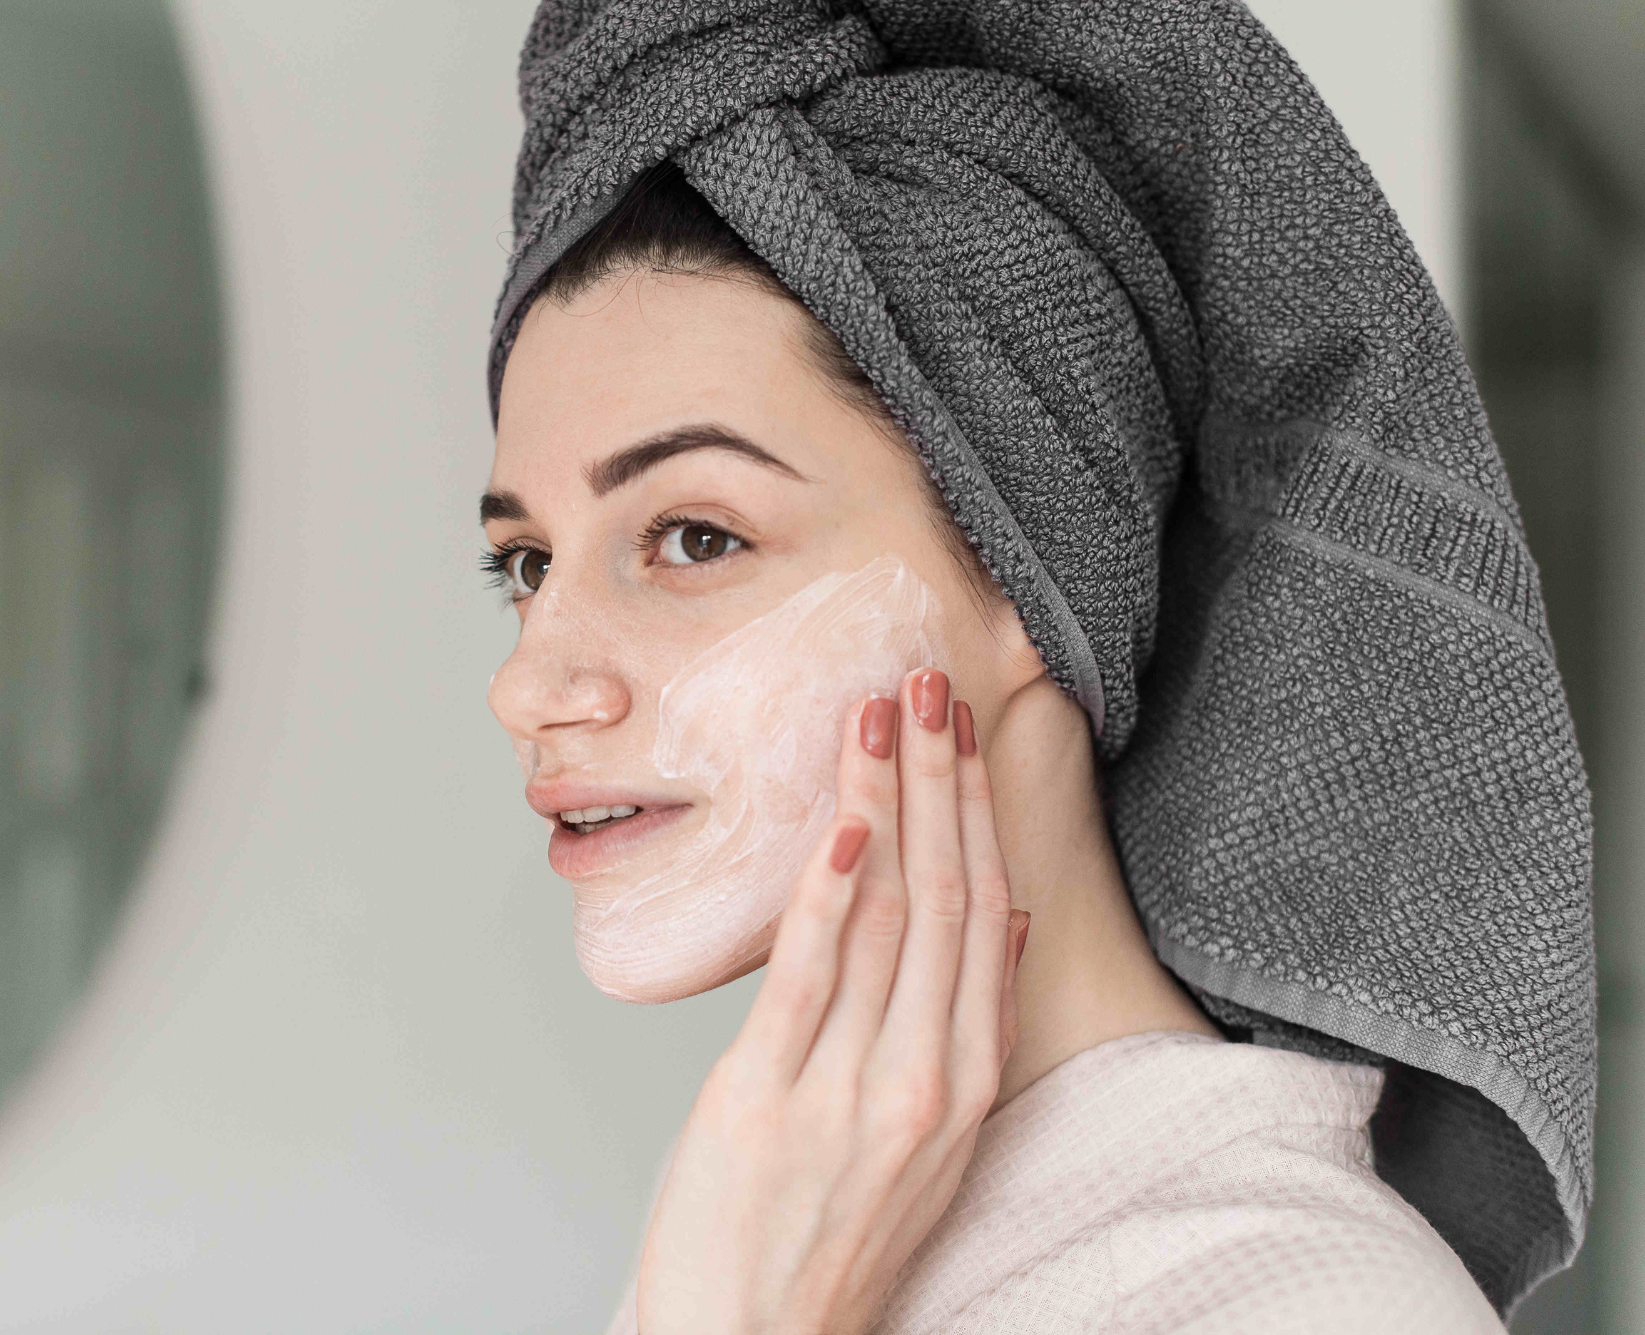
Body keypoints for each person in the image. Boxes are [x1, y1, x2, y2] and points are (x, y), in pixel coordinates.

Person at [479, 2, 1594, 1331]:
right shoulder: (782, 1205)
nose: (530, 684)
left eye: (693, 534)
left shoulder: (1307, 1304)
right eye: (528, 564)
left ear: (1029, 568)